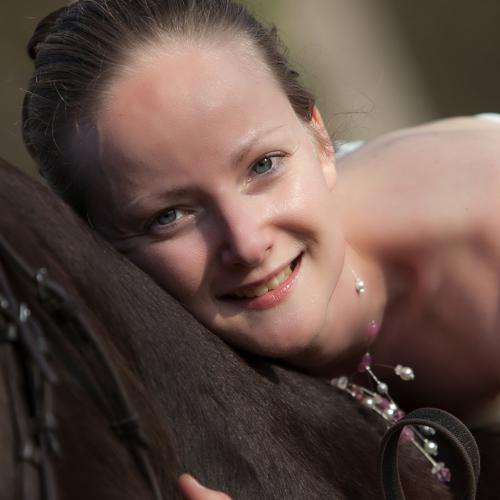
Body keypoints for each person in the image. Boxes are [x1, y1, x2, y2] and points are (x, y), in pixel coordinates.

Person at [23, 0, 500, 449]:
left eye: (263, 166)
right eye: (168, 216)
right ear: (96, 245)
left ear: (319, 139)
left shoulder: (485, 230)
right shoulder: (101, 399)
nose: (247, 244)